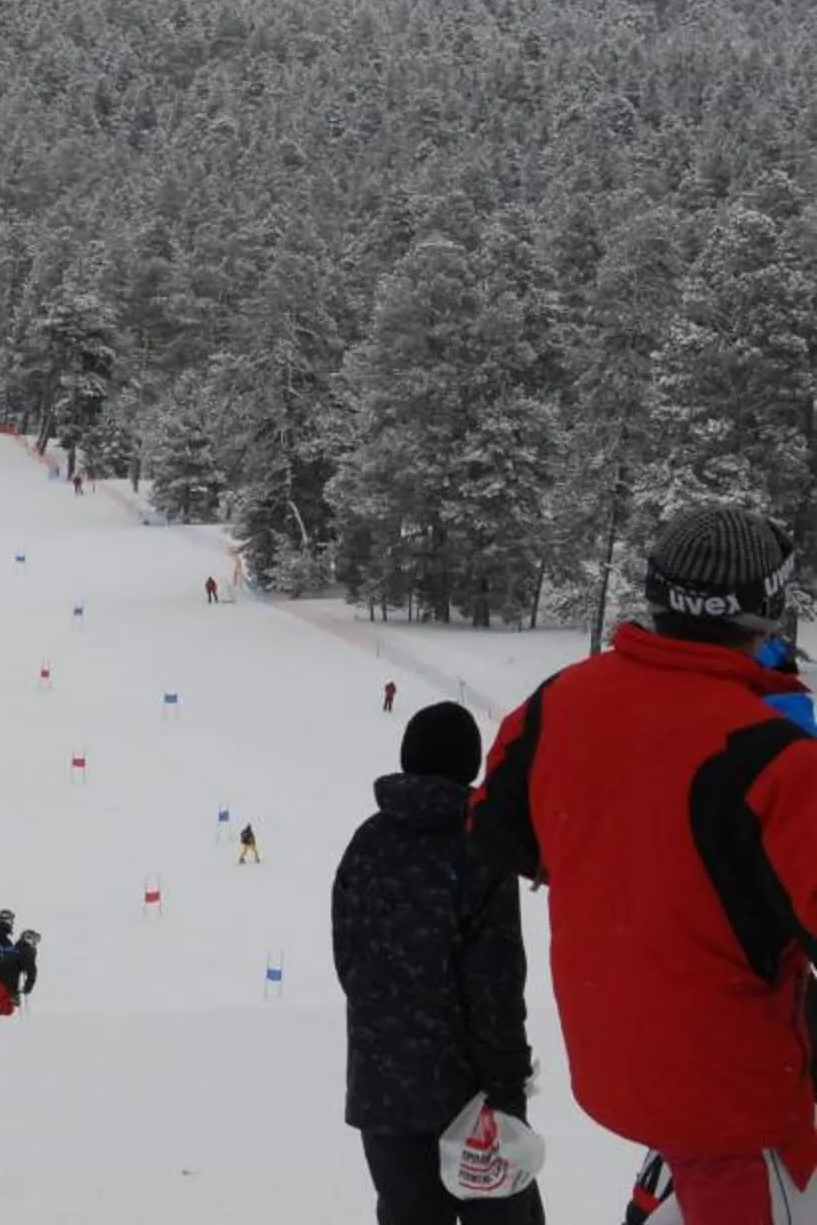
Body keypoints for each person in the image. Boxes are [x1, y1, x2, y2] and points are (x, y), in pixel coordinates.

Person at [471, 506, 817, 1224]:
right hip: (743, 1108)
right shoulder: (777, 755)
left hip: (615, 1062)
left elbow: (495, 823)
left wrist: (624, 861)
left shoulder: (562, 699)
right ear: (770, 613)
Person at [333, 700, 544, 1225]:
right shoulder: (479, 847)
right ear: (471, 765)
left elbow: (351, 962)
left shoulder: (368, 841)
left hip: (382, 1093)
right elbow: (495, 984)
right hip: (470, 1098)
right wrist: (508, 1087)